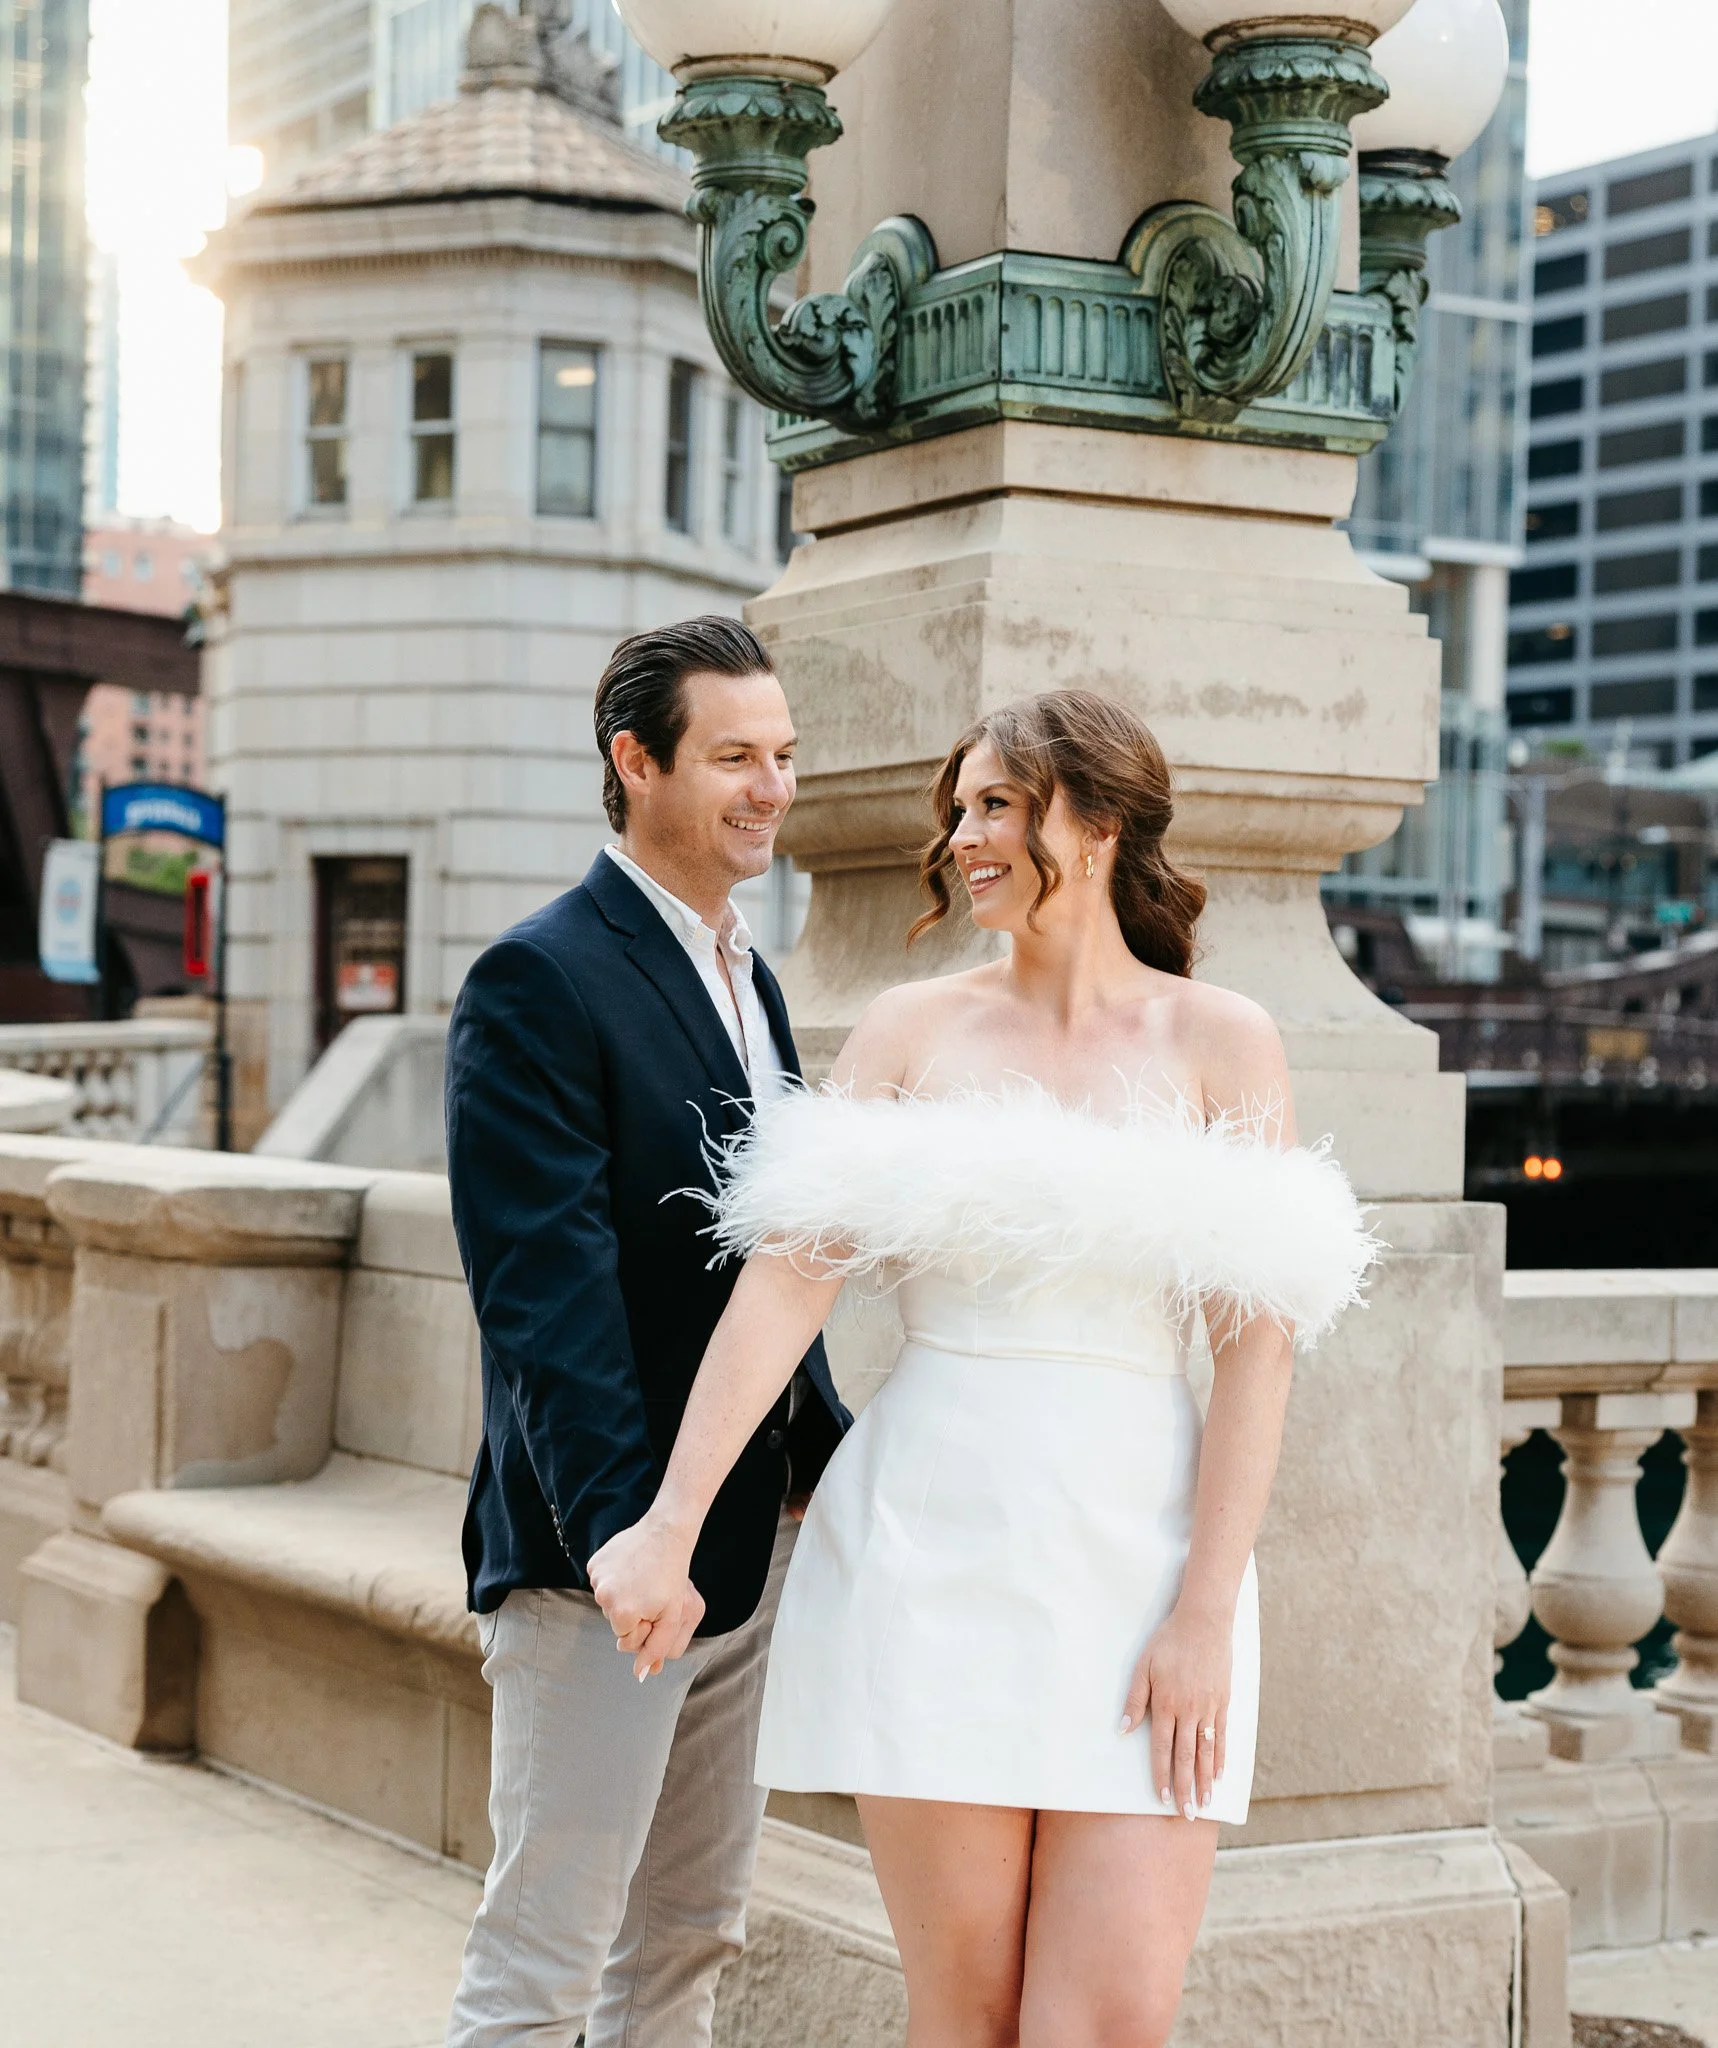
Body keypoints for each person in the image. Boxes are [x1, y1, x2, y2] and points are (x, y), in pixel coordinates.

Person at [586, 689, 1376, 2048]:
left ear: (1101, 818)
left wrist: (1201, 1614)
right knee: (968, 2015)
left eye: (998, 804)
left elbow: (1258, 1352)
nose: (964, 836)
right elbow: (785, 1286)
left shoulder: (1220, 1040)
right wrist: (666, 1525)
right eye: (957, 809)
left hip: (1141, 1562)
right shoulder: (909, 1030)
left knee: (1108, 2018)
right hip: (927, 1552)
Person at [441, 616, 848, 2048]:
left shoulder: (752, 975)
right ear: (636, 761)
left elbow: (773, 1260)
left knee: (685, 1937)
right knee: (543, 1959)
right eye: (734, 756)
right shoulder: (537, 978)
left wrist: (814, 1455)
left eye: (783, 755)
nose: (771, 787)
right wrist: (629, 1533)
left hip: (752, 1533)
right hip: (602, 1559)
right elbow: (543, 1296)